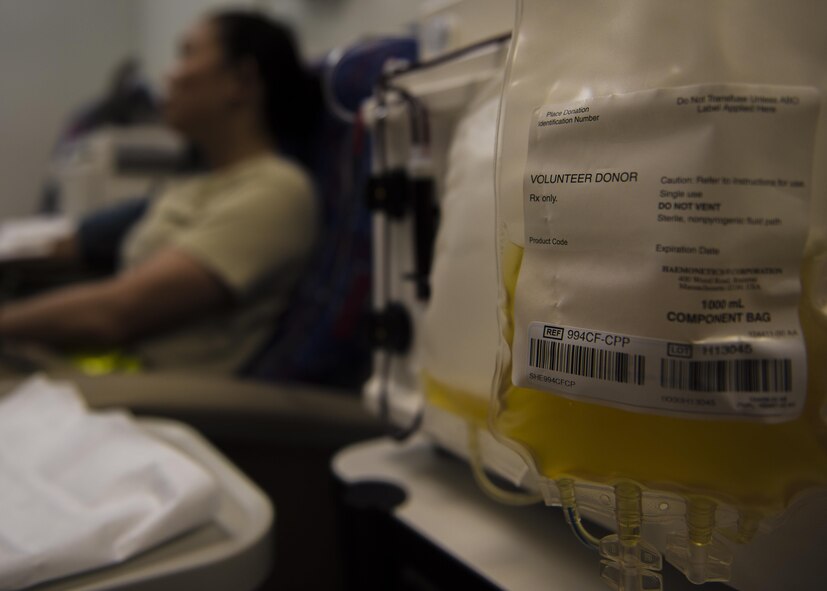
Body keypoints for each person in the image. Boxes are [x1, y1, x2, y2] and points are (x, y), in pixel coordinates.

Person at [0, 10, 322, 374]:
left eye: (187, 54)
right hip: (118, 369)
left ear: (242, 80)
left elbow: (114, 314)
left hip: (161, 386)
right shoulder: (196, 184)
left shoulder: (276, 190)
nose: (169, 75)